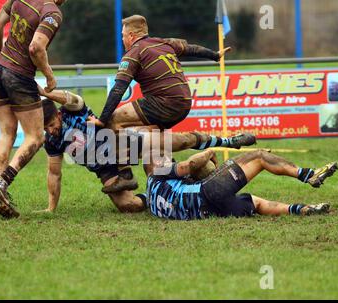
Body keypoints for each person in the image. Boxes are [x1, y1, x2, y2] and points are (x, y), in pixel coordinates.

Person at [39, 89, 256, 212]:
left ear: (58, 115)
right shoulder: (51, 141)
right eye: (46, 128)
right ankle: (168, 193)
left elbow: (70, 97)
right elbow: (54, 174)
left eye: (51, 124)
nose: (51, 130)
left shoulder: (72, 111)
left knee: (179, 141)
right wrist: (51, 208)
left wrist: (45, 91)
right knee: (127, 206)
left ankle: (229, 140)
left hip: (123, 144)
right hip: (105, 170)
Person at [88, 14, 231, 190]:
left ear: (131, 35)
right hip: (184, 102)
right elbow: (191, 49)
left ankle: (125, 174)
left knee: (113, 119)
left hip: (164, 102)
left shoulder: (134, 52)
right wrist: (215, 55)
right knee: (154, 141)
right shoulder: (164, 43)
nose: (123, 39)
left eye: (124, 36)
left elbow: (118, 89)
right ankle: (174, 182)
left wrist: (101, 119)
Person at [0, 0, 66, 219]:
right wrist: (49, 75)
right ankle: (2, 185)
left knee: (7, 132)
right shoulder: (52, 12)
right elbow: (35, 47)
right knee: (35, 137)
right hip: (19, 76)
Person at [141, 149, 338, 220]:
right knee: (259, 157)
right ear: (154, 165)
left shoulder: (150, 196)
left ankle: (303, 210)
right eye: (165, 157)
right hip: (206, 193)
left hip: (207, 213)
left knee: (257, 203)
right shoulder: (159, 172)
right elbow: (191, 164)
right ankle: (310, 175)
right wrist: (209, 151)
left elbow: (134, 203)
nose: (169, 160)